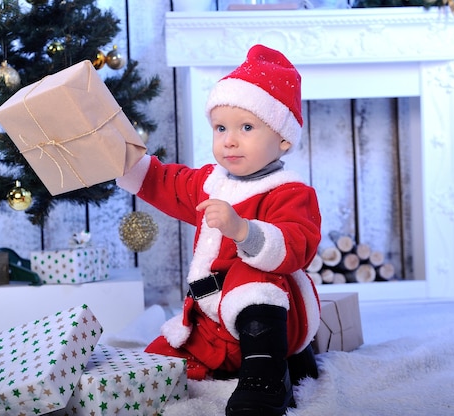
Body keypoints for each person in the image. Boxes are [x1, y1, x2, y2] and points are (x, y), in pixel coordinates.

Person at [116, 44, 322, 416]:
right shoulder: (207, 182)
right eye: (221, 128)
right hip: (211, 321)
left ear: (284, 139)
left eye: (247, 127)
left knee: (251, 272)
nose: (229, 139)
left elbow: (298, 245)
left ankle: (266, 378)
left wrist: (244, 230)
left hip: (276, 315)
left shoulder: (291, 192)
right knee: (157, 363)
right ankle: (247, 361)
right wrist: (122, 158)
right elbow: (163, 181)